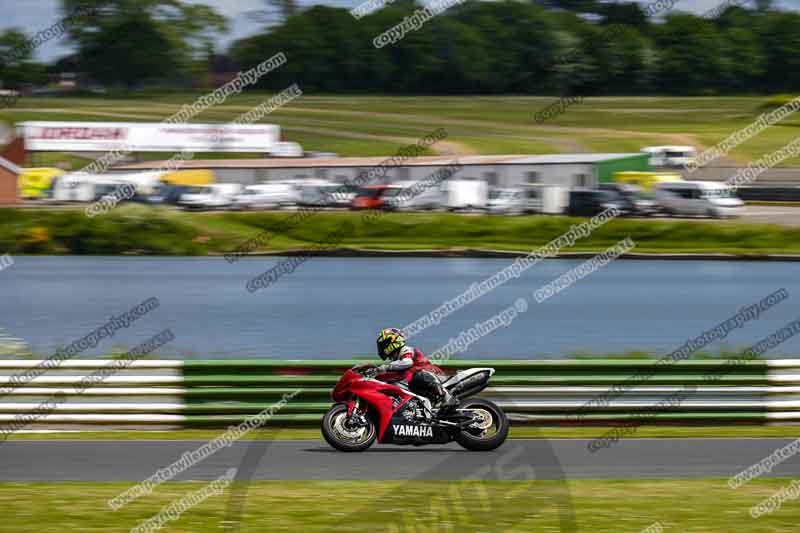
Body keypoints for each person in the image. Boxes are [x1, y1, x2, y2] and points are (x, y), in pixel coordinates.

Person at [370, 327, 458, 412]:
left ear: (392, 342)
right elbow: (392, 375)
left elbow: (407, 362)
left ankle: (447, 396)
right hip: (418, 385)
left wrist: (385, 367)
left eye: (384, 344)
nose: (381, 348)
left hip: (432, 374)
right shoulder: (395, 361)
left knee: (419, 375)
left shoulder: (406, 350)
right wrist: (375, 376)